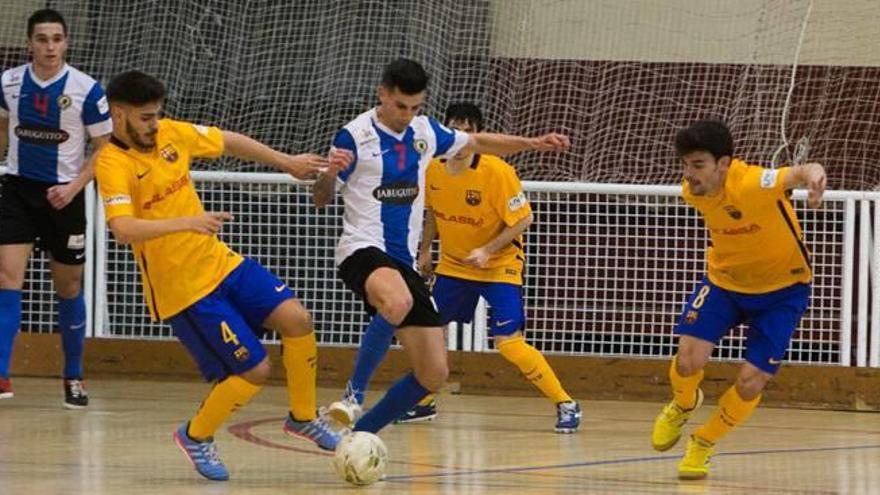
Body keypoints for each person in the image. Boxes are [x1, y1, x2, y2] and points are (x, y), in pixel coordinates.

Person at [94, 70, 352, 481]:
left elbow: (227, 139)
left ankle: (303, 418)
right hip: (183, 289)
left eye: (157, 115)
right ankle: (196, 435)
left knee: (297, 319)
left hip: (220, 262)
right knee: (254, 370)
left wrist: (286, 162)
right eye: (145, 118)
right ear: (118, 114)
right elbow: (122, 229)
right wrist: (186, 223)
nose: (154, 125)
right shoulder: (112, 163)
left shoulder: (171, 135)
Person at [313, 58, 570, 435]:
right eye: (400, 106)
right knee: (396, 302)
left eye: (416, 107)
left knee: (433, 374)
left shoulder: (424, 132)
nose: (407, 115)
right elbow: (321, 198)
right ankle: (353, 395)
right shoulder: (354, 136)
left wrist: (532, 143)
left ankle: (358, 436)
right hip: (362, 248)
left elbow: (479, 142)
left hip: (402, 261)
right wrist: (330, 173)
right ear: (382, 94)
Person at [651, 119, 826, 479]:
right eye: (685, 164)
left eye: (698, 165)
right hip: (725, 284)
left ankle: (703, 442)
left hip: (783, 291)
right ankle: (684, 403)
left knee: (750, 382)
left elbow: (800, 171)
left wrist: (814, 177)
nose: (689, 174)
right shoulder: (692, 192)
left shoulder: (753, 183)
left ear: (725, 164)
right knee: (687, 361)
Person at [0, 8, 112, 408]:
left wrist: (73, 187)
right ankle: (1, 374)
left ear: (66, 42)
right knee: (6, 277)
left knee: (68, 286)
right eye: (42, 39)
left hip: (64, 197)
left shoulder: (87, 89)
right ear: (29, 42)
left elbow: (106, 151)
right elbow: (2, 128)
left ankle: (74, 375)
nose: (50, 46)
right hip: (17, 191)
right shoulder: (9, 83)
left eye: (57, 39)